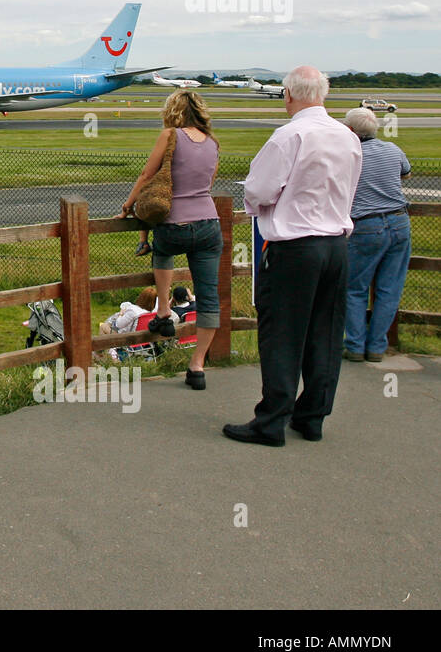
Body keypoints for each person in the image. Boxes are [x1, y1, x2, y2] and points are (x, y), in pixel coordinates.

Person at [225, 66, 362, 445]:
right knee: (326, 331)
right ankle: (312, 415)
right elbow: (349, 191)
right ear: (324, 94)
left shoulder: (289, 135)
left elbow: (259, 190)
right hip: (336, 244)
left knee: (284, 334)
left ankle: (271, 421)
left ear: (288, 95)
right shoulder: (347, 137)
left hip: (295, 246)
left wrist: (265, 209)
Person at [120, 89, 222, 391]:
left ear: (173, 110)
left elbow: (146, 175)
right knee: (209, 297)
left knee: (162, 252)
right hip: (208, 223)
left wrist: (128, 205)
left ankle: (163, 309)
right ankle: (198, 365)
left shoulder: (170, 135)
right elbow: (208, 182)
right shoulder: (213, 142)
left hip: (174, 222)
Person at [342, 108, 412, 363]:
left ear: (350, 130)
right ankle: (377, 347)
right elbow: (406, 173)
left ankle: (355, 345)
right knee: (389, 288)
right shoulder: (393, 149)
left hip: (366, 225)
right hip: (399, 220)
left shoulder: (349, 155)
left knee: (354, 288)